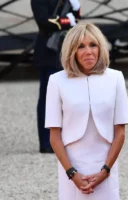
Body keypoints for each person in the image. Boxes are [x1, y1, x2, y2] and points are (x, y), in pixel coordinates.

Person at [45, 23, 128, 199]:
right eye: (81, 46)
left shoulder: (116, 78)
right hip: (71, 164)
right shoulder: (56, 81)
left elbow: (120, 132)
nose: (88, 51)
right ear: (72, 51)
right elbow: (54, 135)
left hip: (106, 162)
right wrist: (72, 173)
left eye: (93, 45)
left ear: (101, 48)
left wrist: (105, 171)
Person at [31, 0, 81, 153]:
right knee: (48, 99)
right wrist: (67, 21)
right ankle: (46, 142)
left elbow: (75, 18)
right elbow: (44, 22)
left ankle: (65, 138)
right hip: (48, 50)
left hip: (63, 49)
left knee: (67, 98)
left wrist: (76, 8)